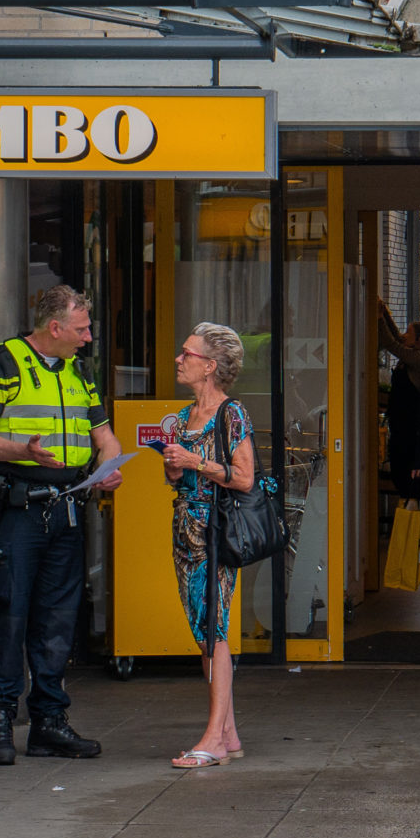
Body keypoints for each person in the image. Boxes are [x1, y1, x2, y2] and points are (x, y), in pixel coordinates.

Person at [0, 284, 124, 767]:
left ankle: (48, 724)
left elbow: (106, 437)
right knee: (9, 617)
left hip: (66, 509)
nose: (88, 337)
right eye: (81, 329)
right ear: (54, 328)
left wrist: (108, 467)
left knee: (57, 621)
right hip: (15, 512)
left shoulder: (78, 371)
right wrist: (24, 452)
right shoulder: (2, 362)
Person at [162, 324, 256, 769]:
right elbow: (177, 478)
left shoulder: (230, 414)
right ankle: (229, 732)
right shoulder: (183, 418)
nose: (179, 359)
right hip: (185, 529)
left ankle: (214, 739)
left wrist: (196, 461)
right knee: (203, 632)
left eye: (187, 354)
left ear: (210, 366)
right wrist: (176, 470)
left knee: (215, 630)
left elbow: (244, 477)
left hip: (216, 532)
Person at [378, 306, 420, 502]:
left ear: (418, 340)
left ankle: (413, 518)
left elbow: (393, 344)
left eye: (408, 333)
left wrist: (379, 319)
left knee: (404, 474)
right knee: (398, 471)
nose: (404, 336)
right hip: (400, 427)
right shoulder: (414, 355)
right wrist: (384, 313)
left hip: (411, 431)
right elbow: (398, 339)